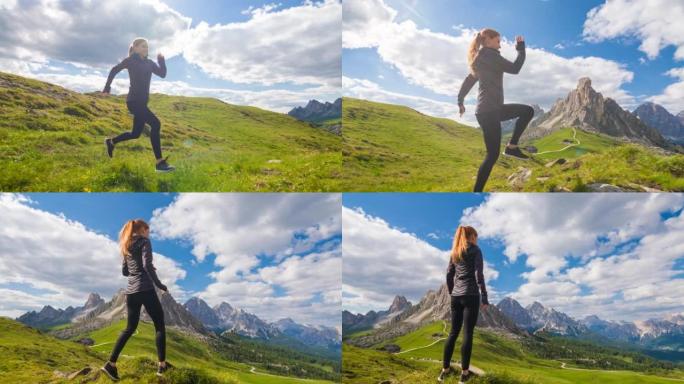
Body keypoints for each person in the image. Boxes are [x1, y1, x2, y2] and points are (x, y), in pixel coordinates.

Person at [457, 28, 534, 192]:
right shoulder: (491, 56)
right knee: (492, 156)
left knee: (527, 111)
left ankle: (512, 147)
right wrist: (521, 49)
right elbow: (515, 68)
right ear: (488, 40)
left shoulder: (479, 59)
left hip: (489, 110)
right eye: (498, 41)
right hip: (490, 112)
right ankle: (477, 191)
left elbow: (468, 81)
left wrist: (460, 101)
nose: (500, 45)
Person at [101, 219, 169, 381]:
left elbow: (125, 271)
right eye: (148, 230)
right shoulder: (144, 242)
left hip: (131, 291)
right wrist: (160, 285)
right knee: (159, 325)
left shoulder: (126, 246)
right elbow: (147, 265)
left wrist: (137, 266)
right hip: (145, 288)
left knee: (129, 328)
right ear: (143, 230)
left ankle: (110, 364)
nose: (149, 233)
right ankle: (162, 366)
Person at [102, 37, 175, 172]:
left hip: (142, 103)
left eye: (147, 47)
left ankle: (111, 142)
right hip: (134, 102)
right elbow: (114, 70)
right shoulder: (130, 61)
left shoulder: (149, 63)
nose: (146, 49)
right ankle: (159, 163)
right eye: (142, 46)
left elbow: (162, 74)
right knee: (156, 124)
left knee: (135, 133)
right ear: (135, 48)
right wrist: (107, 87)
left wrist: (161, 61)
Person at [438, 225, 489, 383]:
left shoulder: (454, 252)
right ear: (471, 236)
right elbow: (479, 275)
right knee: (467, 333)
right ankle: (464, 374)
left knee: (453, 333)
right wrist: (485, 297)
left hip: (456, 296)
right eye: (476, 236)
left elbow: (449, 274)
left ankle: (444, 371)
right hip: (471, 294)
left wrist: (453, 292)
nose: (477, 239)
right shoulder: (475, 250)